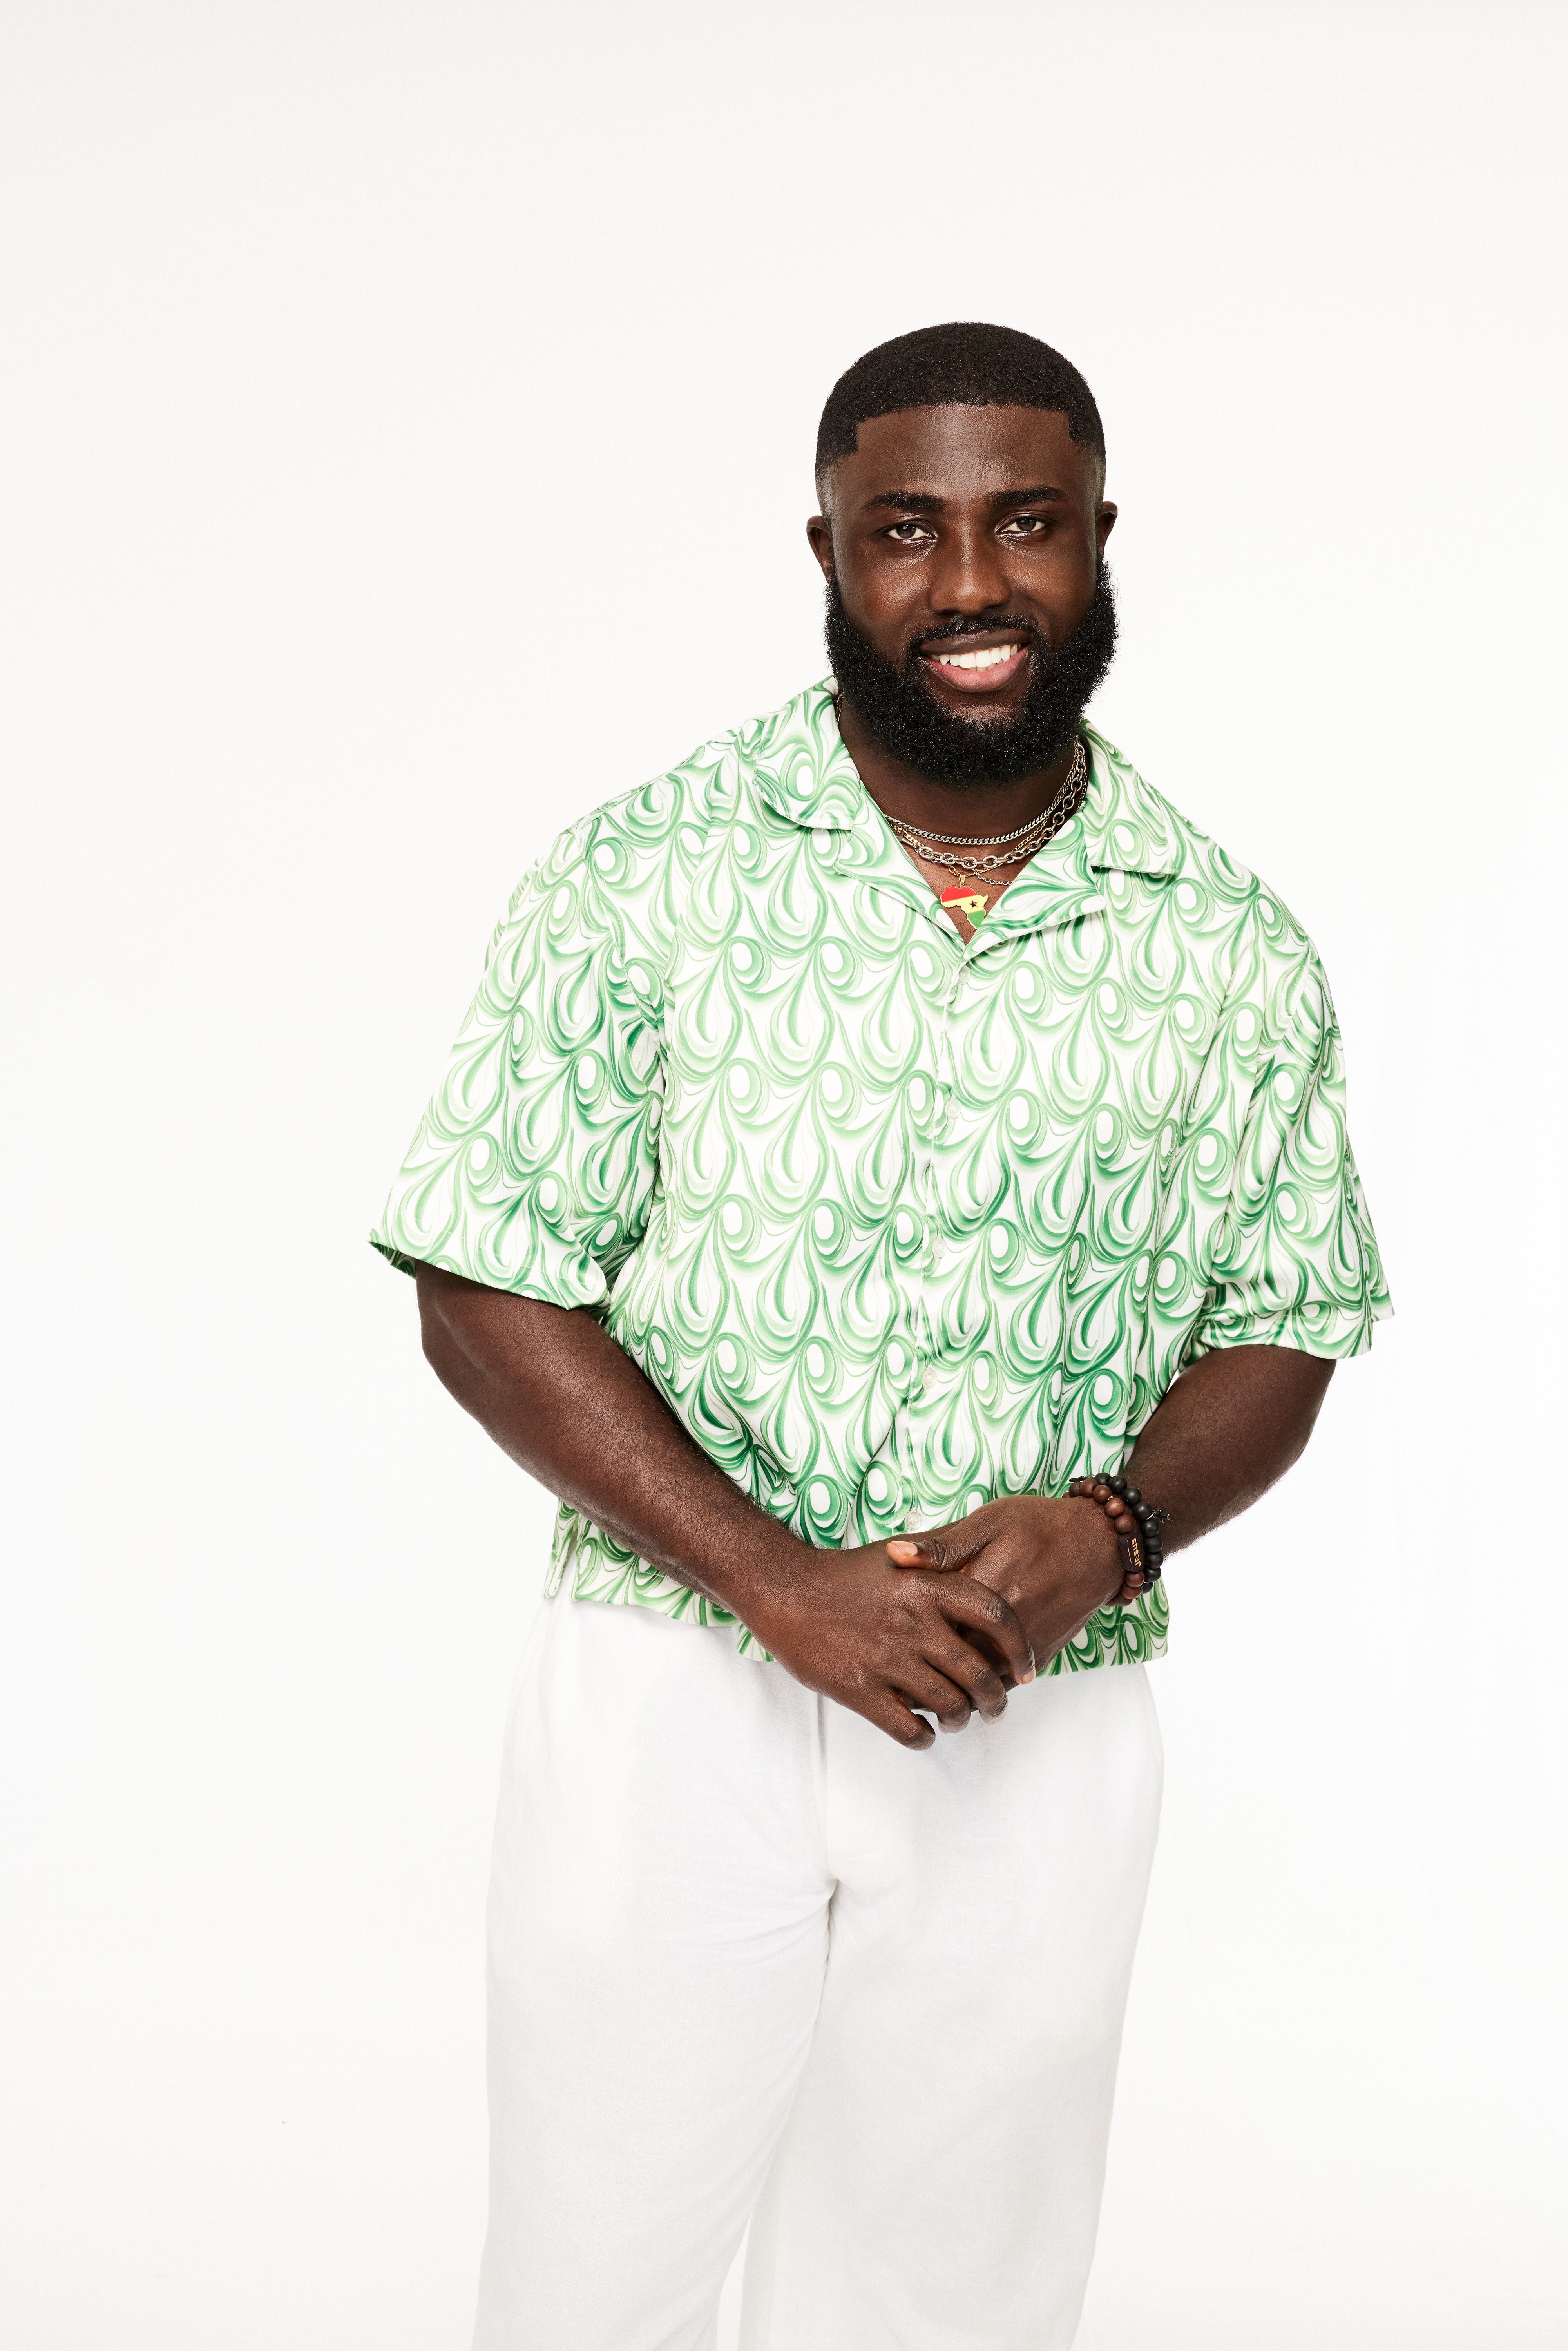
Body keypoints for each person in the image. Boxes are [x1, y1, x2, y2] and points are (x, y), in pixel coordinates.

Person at [371, 321, 1389, 2351]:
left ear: (1099, 539)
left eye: (1026, 524)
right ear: (828, 551)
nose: (971, 583)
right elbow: (483, 1276)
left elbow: (1288, 1321)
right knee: (590, 2285)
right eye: (906, 529)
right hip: (668, 1686)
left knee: (955, 2305)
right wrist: (773, 1580)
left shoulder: (1224, 944)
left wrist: (1110, 1532)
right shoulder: (644, 876)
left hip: (1035, 1716)